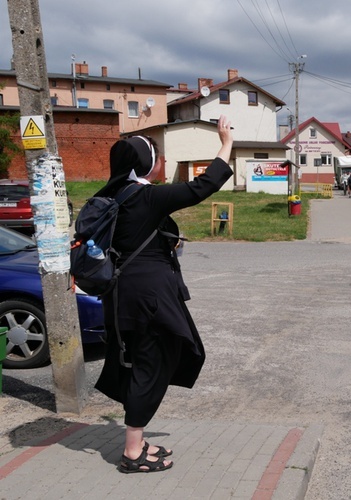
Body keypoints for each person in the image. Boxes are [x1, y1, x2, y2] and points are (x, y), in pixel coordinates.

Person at [94, 115, 234, 473]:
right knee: (151, 363)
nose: (161, 162)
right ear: (144, 163)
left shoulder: (112, 195)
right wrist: (226, 143)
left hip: (123, 295)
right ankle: (131, 452)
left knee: (141, 360)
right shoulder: (146, 197)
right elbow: (203, 186)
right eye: (156, 156)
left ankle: (136, 440)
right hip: (149, 299)